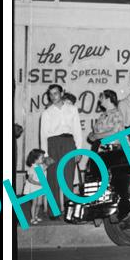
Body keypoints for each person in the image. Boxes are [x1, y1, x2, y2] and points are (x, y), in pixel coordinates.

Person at [39, 84, 86, 215]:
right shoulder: (47, 113)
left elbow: (77, 130)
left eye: (55, 93)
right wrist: (46, 154)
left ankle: (69, 211)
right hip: (52, 144)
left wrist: (79, 150)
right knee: (53, 177)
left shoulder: (72, 109)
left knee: (68, 177)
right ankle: (54, 211)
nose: (53, 96)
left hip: (68, 143)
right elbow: (43, 135)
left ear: (61, 93)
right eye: (50, 94)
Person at [24, 148, 55, 224]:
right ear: (36, 159)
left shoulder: (40, 166)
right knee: (34, 203)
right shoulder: (32, 168)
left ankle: (36, 216)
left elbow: (46, 166)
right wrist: (39, 183)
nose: (43, 159)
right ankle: (33, 218)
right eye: (42, 157)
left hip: (40, 187)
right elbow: (30, 180)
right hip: (34, 187)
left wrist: (49, 162)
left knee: (39, 203)